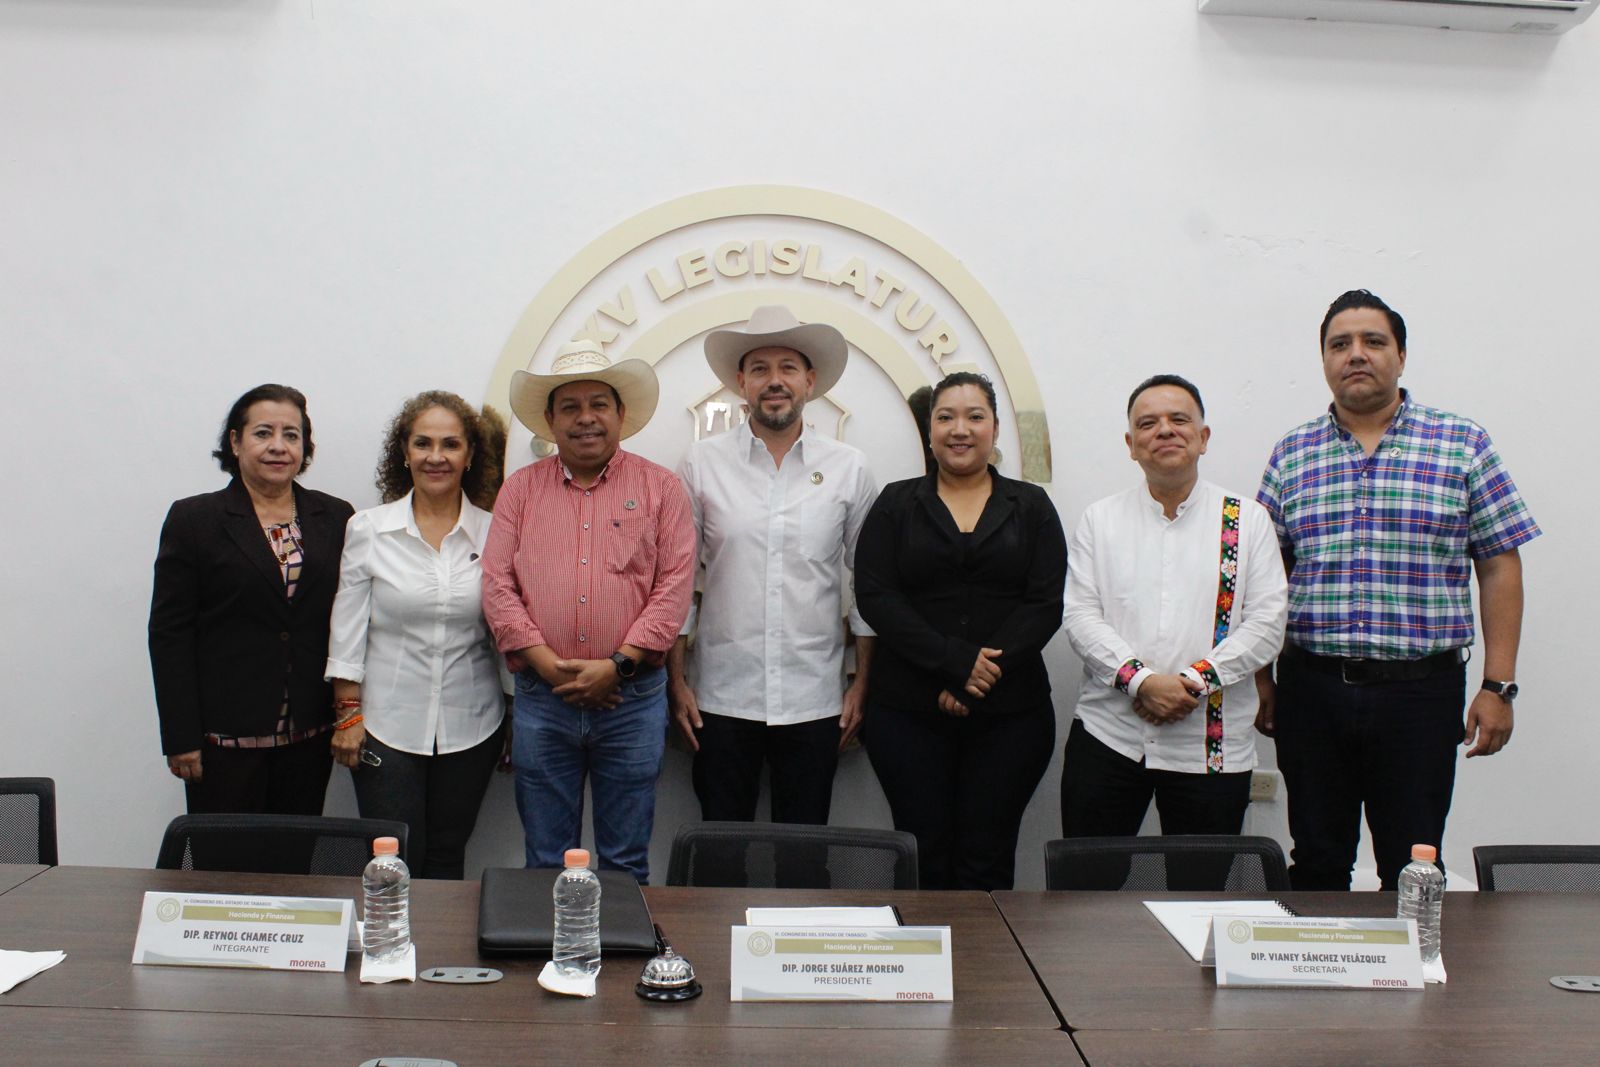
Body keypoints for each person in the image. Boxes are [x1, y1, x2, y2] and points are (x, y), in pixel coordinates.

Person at [1257, 290, 1540, 891]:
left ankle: (1413, 957)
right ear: (1324, 359)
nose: (1356, 354)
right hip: (1311, 691)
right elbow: (1265, 576)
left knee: (1413, 866)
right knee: (1317, 861)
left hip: (1420, 695)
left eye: (1373, 341)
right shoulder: (1291, 454)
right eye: (1340, 344)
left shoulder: (1462, 444)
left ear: (1401, 356)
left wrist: (1498, 686)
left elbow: (1499, 565)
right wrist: (1263, 680)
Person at [482, 340, 695, 882]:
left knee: (625, 862)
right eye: (570, 407)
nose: (585, 418)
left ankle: (623, 942)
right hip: (543, 700)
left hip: (631, 702)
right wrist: (550, 667)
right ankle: (550, 942)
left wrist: (617, 665)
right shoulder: (519, 492)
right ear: (550, 420)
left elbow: (674, 587)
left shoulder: (662, 489)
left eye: (598, 404)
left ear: (620, 413)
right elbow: (497, 585)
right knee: (545, 861)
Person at [669, 306, 878, 840]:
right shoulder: (701, 464)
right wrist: (676, 682)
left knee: (804, 854)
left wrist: (862, 684)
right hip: (720, 697)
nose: (774, 380)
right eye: (760, 369)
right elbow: (677, 582)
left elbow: (869, 586)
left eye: (788, 367)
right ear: (741, 383)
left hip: (815, 699)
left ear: (811, 381)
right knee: (721, 851)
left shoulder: (849, 467)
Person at [855, 372, 1066, 890]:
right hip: (907, 713)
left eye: (975, 417)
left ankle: (984, 949)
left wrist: (976, 677)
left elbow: (1044, 604)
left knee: (987, 858)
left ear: (995, 428)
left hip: (1011, 716)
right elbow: (877, 596)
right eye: (946, 417)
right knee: (921, 854)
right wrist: (953, 663)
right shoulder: (895, 504)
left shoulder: (1031, 506)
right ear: (929, 430)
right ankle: (928, 946)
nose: (960, 429)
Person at [1061, 375, 1287, 839]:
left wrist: (1191, 683)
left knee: (1200, 882)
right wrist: (1141, 682)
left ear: (1203, 437)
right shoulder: (1100, 520)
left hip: (1209, 746)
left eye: (1178, 419)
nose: (1164, 430)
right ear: (1131, 445)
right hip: (1110, 735)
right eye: (1148, 423)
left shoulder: (1247, 520)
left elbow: (1267, 624)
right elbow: (1080, 617)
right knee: (1088, 880)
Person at [324, 392, 508, 880]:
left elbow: (505, 631)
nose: (435, 456)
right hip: (385, 725)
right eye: (423, 443)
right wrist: (348, 716)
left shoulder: (496, 533)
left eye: (451, 444)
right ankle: (392, 934)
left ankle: (440, 935)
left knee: (448, 853)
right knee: (391, 857)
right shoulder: (369, 529)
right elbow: (347, 629)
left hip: (474, 725)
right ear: (404, 452)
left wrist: (517, 715)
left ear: (470, 455)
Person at [149, 384, 354, 816]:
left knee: (295, 854)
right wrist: (181, 737)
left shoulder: (336, 517)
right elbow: (170, 635)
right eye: (263, 433)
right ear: (236, 441)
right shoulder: (195, 519)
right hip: (223, 740)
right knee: (226, 856)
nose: (278, 446)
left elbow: (349, 619)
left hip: (309, 735)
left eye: (291, 435)